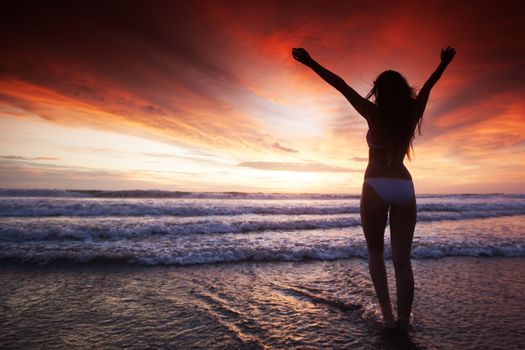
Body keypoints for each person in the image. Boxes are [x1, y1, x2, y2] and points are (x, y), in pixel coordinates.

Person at [292, 46, 456, 333]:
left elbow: (340, 84)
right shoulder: (412, 113)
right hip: (405, 186)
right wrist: (443, 64)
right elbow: (429, 85)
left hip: (376, 185)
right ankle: (405, 321)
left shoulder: (372, 112)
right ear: (404, 91)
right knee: (403, 261)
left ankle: (388, 318)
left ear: (379, 91)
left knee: (376, 253)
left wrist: (309, 62)